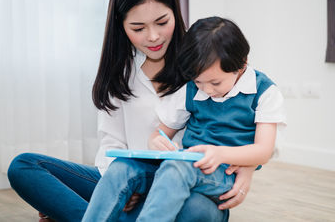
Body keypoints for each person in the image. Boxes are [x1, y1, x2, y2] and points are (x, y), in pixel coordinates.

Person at [7, 0, 255, 222]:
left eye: (162, 22)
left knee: (199, 211)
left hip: (186, 187)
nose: (153, 36)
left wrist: (249, 166)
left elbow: (248, 120)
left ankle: (90, 215)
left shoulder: (204, 63)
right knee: (24, 166)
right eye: (138, 28)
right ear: (121, 26)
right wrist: (124, 186)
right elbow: (111, 145)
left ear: (175, 12)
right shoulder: (119, 73)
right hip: (126, 179)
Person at [82, 16, 286, 222]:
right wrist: (156, 140)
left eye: (215, 82)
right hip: (182, 166)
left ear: (242, 65)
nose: (206, 89)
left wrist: (220, 154)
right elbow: (160, 132)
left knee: (177, 168)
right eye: (199, 81)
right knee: (121, 167)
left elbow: (263, 151)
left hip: (221, 173)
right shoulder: (189, 90)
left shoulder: (264, 92)